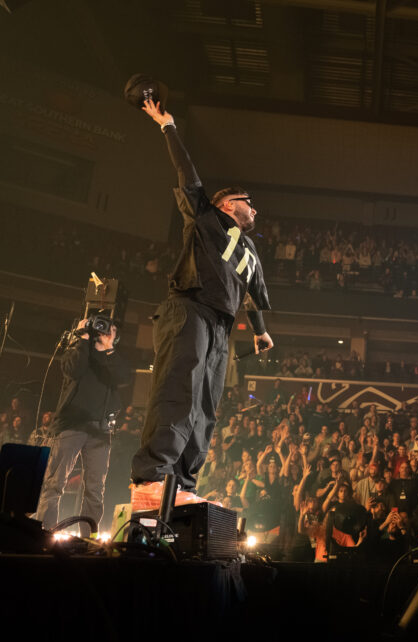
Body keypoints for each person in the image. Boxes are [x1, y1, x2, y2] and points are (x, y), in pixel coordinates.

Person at [129, 96, 273, 510]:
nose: (255, 209)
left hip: (220, 324)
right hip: (189, 308)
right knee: (178, 388)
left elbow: (248, 290)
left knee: (206, 404)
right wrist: (168, 126)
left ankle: (183, 483)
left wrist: (260, 331)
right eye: (249, 202)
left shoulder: (246, 250)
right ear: (228, 204)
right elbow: (188, 174)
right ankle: (151, 478)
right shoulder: (206, 218)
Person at [36, 317, 130, 535]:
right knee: (55, 483)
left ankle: (89, 538)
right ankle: (43, 532)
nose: (106, 331)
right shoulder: (78, 351)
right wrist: (83, 337)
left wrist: (108, 348)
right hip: (71, 424)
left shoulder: (110, 359)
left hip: (100, 430)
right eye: (103, 327)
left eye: (112, 330)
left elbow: (123, 376)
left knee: (95, 489)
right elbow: (73, 370)